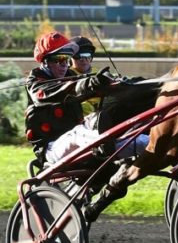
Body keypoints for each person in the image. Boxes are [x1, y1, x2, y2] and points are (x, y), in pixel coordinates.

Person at [25, 31, 146, 164]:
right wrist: (91, 84)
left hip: (84, 141)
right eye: (59, 59)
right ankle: (105, 143)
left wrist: (123, 84)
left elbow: (92, 87)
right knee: (78, 132)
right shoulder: (35, 82)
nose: (64, 64)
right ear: (45, 61)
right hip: (51, 148)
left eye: (67, 59)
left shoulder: (70, 75)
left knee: (139, 140)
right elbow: (59, 92)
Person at [69, 36, 100, 115]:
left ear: (91, 57)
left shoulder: (100, 73)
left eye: (87, 55)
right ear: (70, 58)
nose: (83, 60)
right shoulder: (66, 75)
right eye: (79, 56)